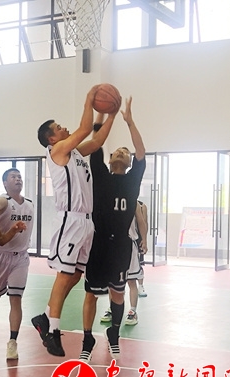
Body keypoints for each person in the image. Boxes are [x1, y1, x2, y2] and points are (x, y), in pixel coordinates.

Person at [31, 85, 116, 357]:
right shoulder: (57, 151)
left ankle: (45, 317)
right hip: (70, 219)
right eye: (58, 127)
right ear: (51, 139)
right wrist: (89, 100)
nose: (64, 128)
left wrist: (112, 114)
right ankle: (52, 331)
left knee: (76, 274)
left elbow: (97, 140)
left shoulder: (76, 152)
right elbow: (85, 128)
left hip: (86, 223)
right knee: (64, 274)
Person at [80, 96, 146, 362]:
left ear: (129, 163)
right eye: (117, 151)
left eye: (125, 153)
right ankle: (87, 338)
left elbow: (141, 152)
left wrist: (129, 122)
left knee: (118, 292)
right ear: (109, 159)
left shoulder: (133, 180)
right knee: (91, 294)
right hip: (98, 242)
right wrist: (102, 114)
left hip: (120, 244)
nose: (121, 152)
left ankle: (114, 334)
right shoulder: (100, 173)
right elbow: (96, 140)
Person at [0, 168, 32, 360]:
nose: (18, 179)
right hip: (0, 256)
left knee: (16, 299)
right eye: (13, 177)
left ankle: (12, 342)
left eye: (19, 176)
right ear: (5, 183)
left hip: (21, 258)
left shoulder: (29, 204)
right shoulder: (5, 201)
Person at [100, 199, 148, 325]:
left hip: (129, 244)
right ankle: (112, 308)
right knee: (112, 282)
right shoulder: (109, 198)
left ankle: (132, 312)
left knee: (131, 281)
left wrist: (144, 240)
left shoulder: (133, 201)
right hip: (112, 244)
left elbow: (141, 222)